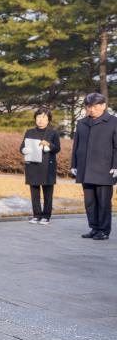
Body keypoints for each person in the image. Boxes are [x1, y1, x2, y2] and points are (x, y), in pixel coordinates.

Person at [70, 92, 117, 240]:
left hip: (105, 169)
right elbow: (76, 145)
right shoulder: (81, 123)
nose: (92, 109)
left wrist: (116, 165)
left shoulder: (113, 122)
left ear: (103, 106)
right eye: (89, 106)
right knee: (89, 202)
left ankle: (103, 230)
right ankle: (94, 228)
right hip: (85, 168)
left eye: (96, 106)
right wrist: (74, 164)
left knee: (103, 202)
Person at [21, 108, 60, 224]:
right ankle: (36, 215)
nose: (40, 120)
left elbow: (57, 148)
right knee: (34, 192)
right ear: (35, 119)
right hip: (32, 165)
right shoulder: (29, 132)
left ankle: (46, 216)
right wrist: (25, 149)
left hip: (47, 166)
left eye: (43, 118)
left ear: (48, 120)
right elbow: (21, 147)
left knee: (48, 193)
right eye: (38, 117)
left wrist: (48, 145)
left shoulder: (53, 133)